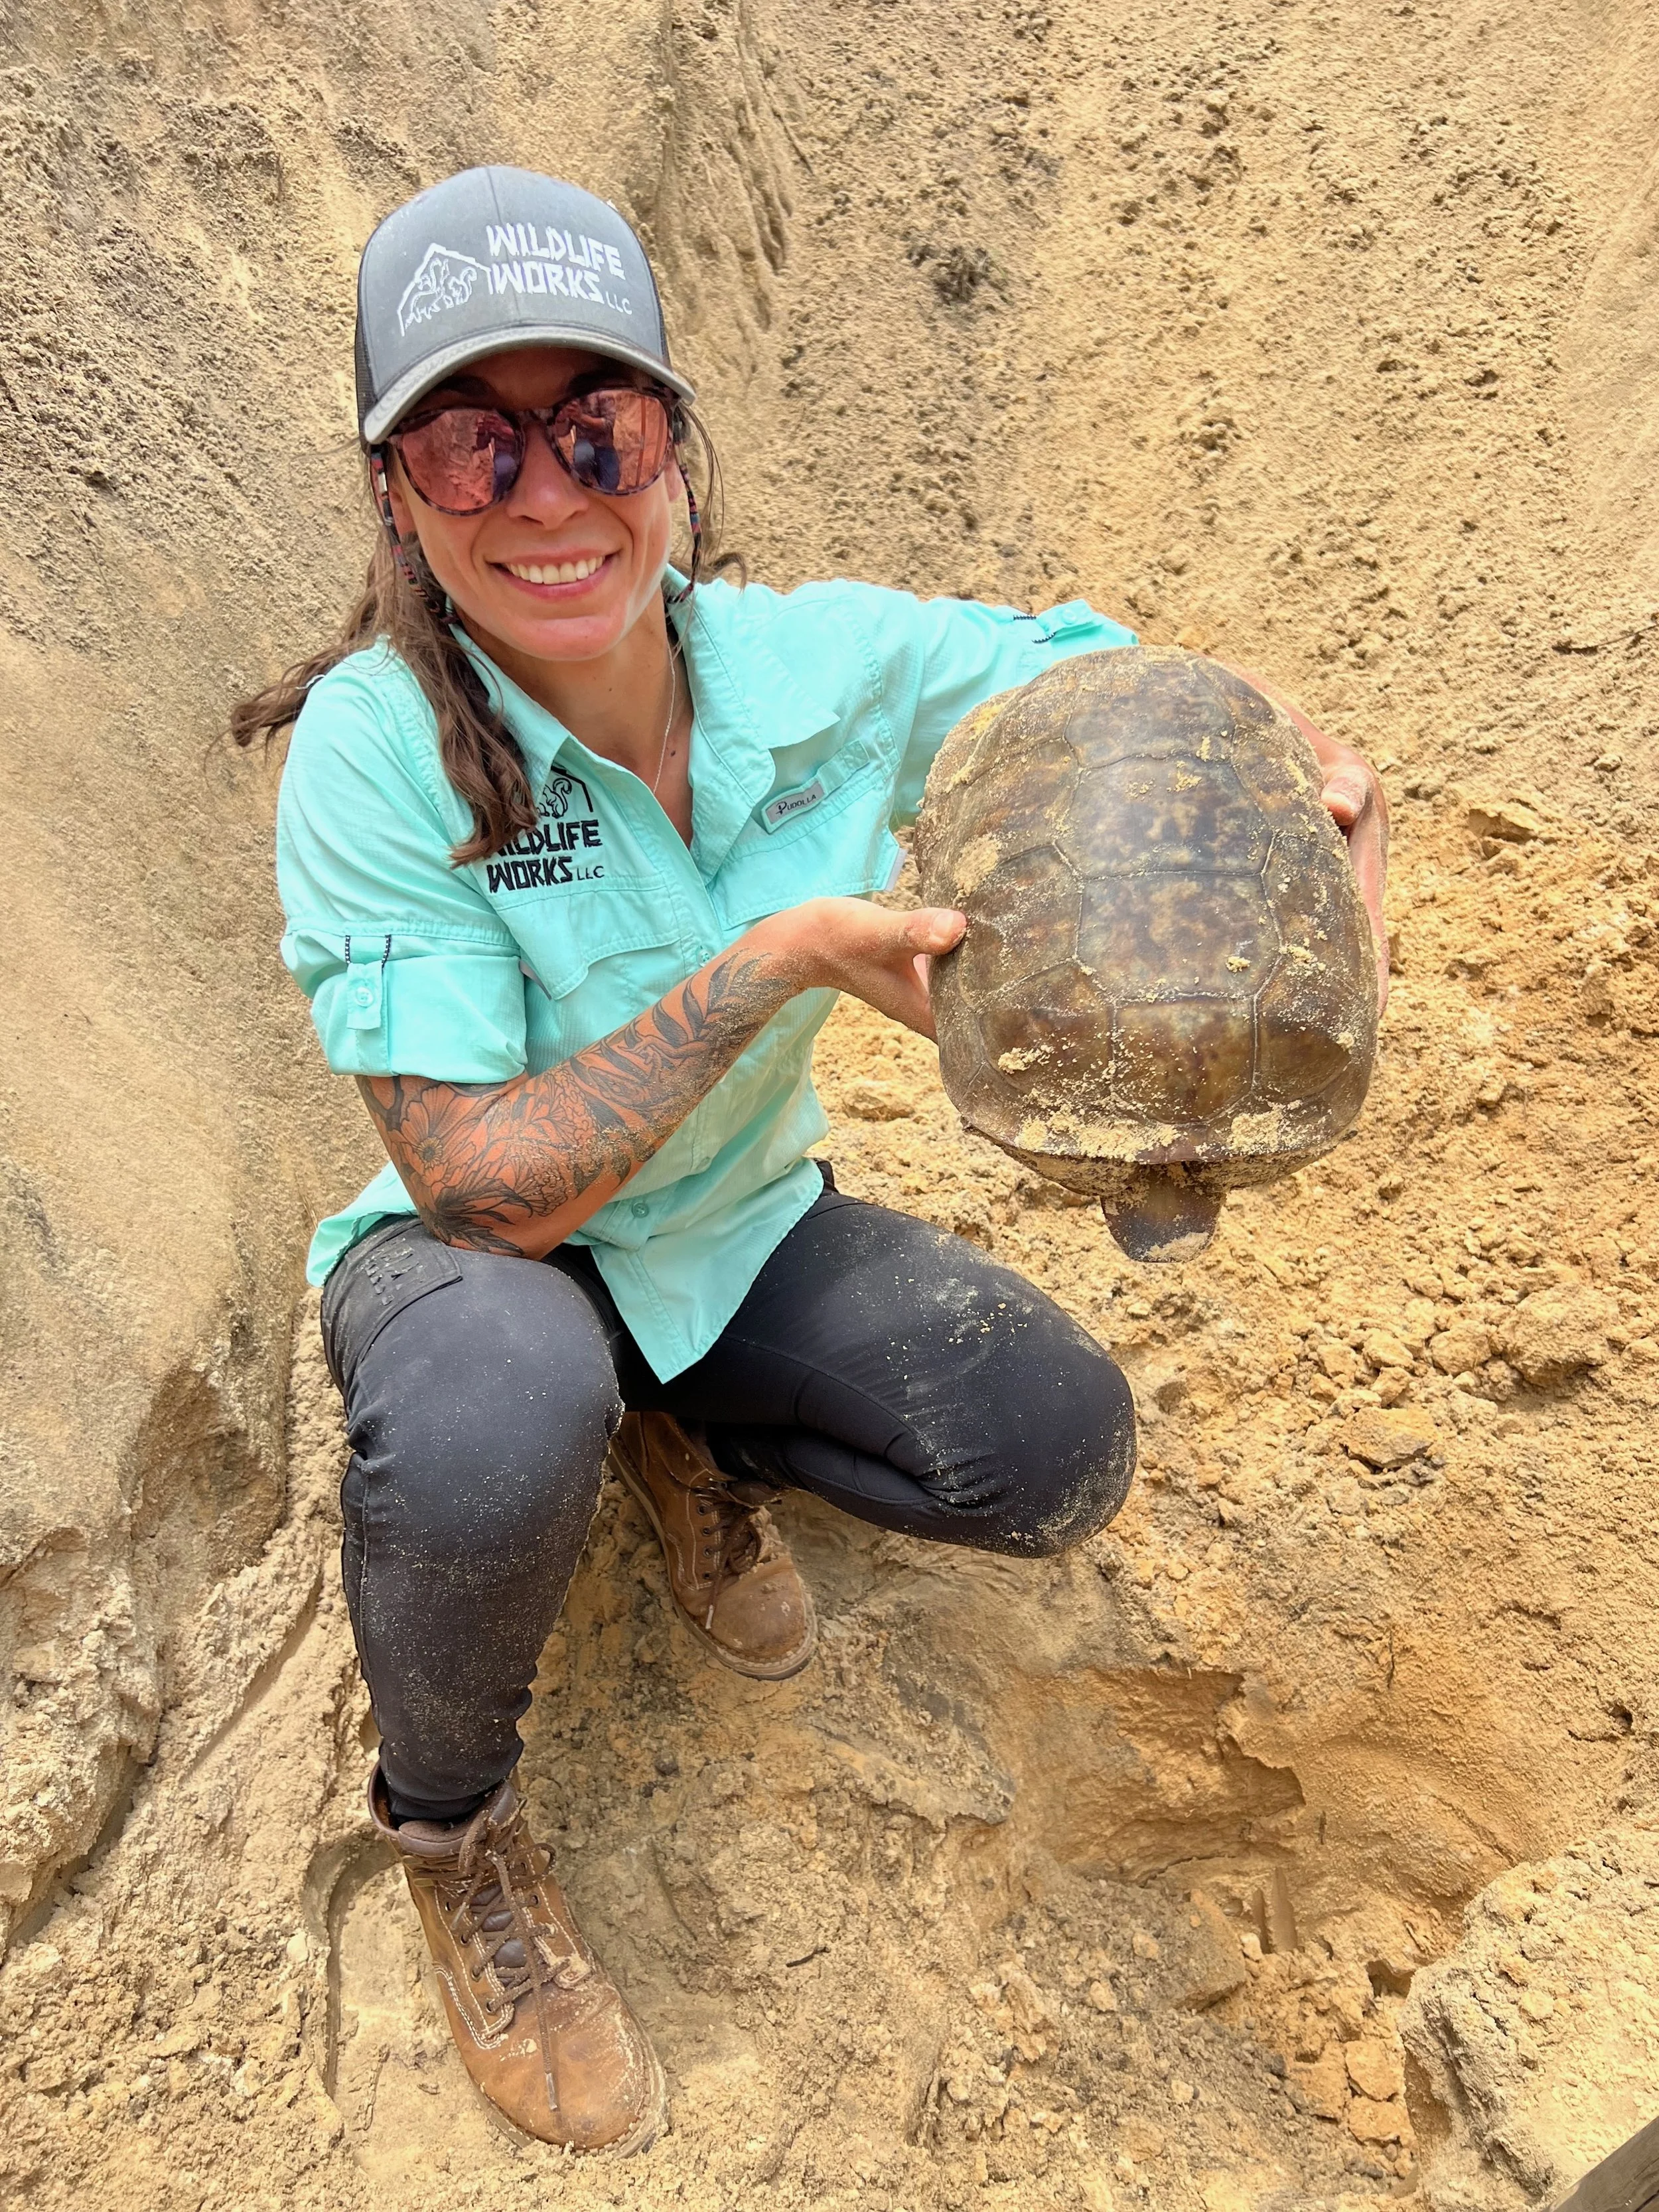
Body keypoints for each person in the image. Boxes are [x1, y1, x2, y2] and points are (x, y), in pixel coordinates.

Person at [235, 166, 1389, 2158]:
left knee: (1049, 1447)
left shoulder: (806, 667)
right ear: (395, 488)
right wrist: (768, 962)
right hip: (477, 1267)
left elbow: (1085, 674)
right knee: (503, 1398)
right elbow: (485, 1186)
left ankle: (687, 1435)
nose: (545, 492)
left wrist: (1291, 765)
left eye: (598, 428)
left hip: (729, 1227)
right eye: (470, 440)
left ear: (673, 447)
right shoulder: (377, 747)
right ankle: (456, 1834)